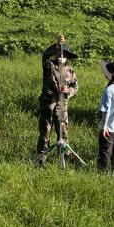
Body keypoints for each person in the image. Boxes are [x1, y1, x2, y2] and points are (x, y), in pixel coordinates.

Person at [37, 34, 79, 164]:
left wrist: (69, 91)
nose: (62, 57)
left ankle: (64, 160)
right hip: (48, 105)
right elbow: (45, 55)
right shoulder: (48, 66)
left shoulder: (70, 70)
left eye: (65, 55)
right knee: (45, 135)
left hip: (62, 107)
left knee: (63, 135)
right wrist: (56, 45)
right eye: (60, 54)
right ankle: (41, 160)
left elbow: (75, 86)